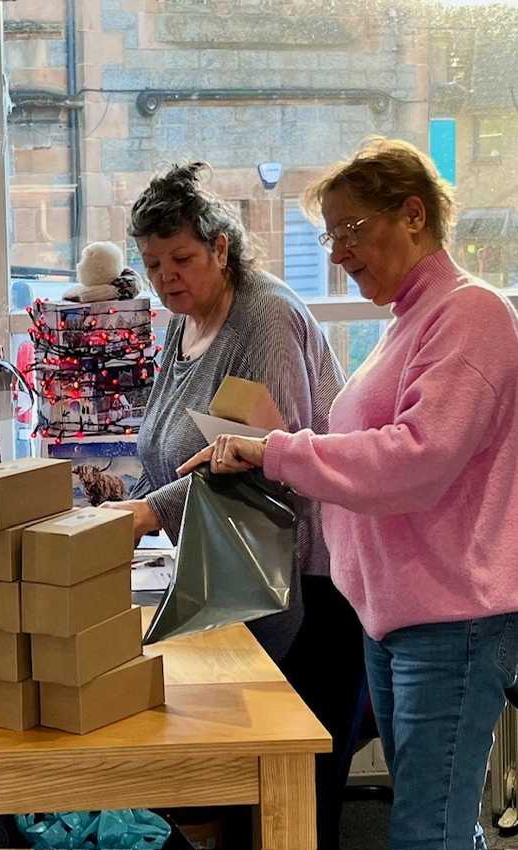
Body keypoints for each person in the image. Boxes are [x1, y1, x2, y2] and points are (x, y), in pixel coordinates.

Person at [181, 137, 518, 850]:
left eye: (351, 230)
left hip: (452, 622)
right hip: (395, 616)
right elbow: (364, 449)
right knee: (442, 820)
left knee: (428, 831)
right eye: (330, 237)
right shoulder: (407, 324)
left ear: (414, 215)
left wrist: (278, 451)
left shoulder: (471, 316)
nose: (337, 253)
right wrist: (273, 450)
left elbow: (416, 460)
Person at [101, 162, 364, 850]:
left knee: (289, 811)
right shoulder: (181, 328)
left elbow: (264, 461)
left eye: (182, 258)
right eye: (152, 262)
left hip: (308, 589)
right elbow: (173, 446)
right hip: (233, 585)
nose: (165, 278)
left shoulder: (266, 318)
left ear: (221, 247)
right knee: (215, 793)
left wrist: (148, 515)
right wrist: (125, 497)